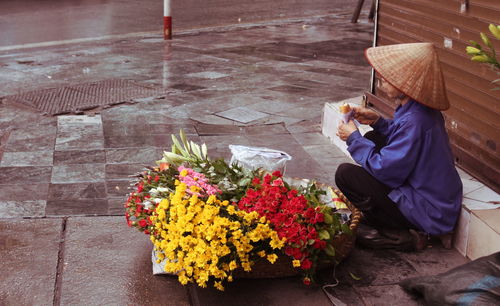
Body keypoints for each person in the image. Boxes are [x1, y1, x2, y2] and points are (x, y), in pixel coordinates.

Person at [335, 42, 463, 251]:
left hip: (429, 211)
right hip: (435, 199)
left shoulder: (417, 120)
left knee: (345, 174)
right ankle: (395, 223)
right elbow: (403, 138)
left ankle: (408, 235)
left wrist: (353, 138)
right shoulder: (418, 110)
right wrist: (377, 120)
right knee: (376, 137)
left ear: (406, 84)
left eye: (388, 77)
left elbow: (385, 170)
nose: (382, 80)